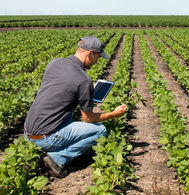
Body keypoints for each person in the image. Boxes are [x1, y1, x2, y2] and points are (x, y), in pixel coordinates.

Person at [24, 36, 127, 178]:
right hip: (45, 138)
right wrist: (113, 114)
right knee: (100, 131)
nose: (97, 61)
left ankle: (62, 146)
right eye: (97, 57)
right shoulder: (83, 80)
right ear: (90, 53)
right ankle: (57, 159)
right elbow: (88, 119)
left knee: (68, 112)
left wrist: (88, 89)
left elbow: (61, 88)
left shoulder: (54, 63)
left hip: (28, 131)